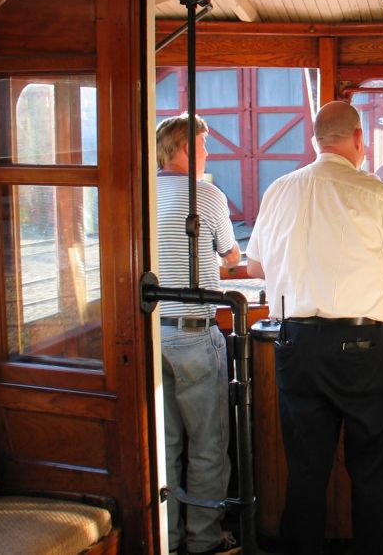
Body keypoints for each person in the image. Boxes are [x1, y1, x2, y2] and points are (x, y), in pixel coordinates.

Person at [245, 100, 383, 555]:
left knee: (306, 470)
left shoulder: (279, 191)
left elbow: (254, 264)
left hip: (295, 344)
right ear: (357, 140)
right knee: (376, 469)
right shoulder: (376, 194)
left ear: (315, 142)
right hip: (363, 349)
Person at [156, 114, 241, 555]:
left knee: (165, 446)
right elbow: (230, 257)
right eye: (205, 146)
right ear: (185, 149)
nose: (209, 154)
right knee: (208, 444)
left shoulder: (144, 193)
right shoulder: (205, 194)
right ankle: (204, 540)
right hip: (193, 332)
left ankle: (167, 540)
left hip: (153, 335)